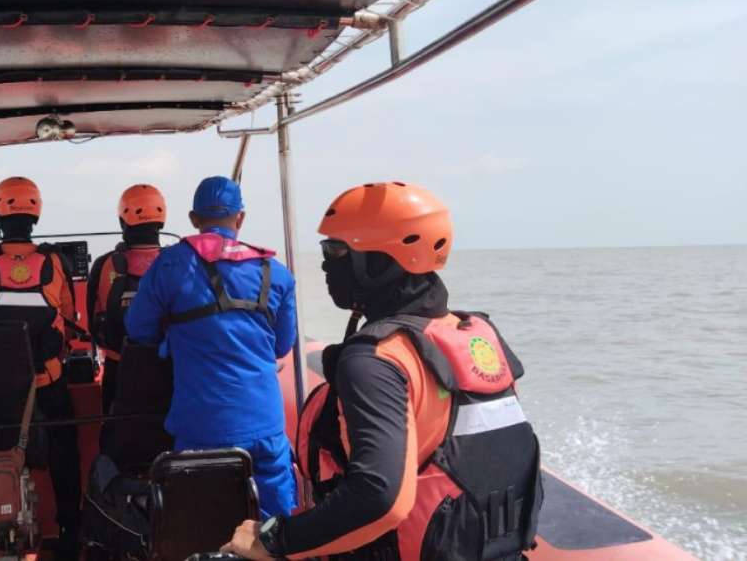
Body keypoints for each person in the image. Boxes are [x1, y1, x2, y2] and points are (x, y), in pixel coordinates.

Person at [221, 182, 542, 560]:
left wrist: (275, 540)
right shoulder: (479, 335)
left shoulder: (374, 359)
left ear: (380, 261)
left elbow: (380, 496)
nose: (325, 263)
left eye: (335, 250)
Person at [125, 176, 298, 518]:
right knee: (276, 526)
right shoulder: (276, 273)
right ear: (240, 218)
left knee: (201, 524)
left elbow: (138, 329)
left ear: (194, 219)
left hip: (201, 426)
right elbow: (282, 346)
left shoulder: (170, 264)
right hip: (265, 423)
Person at [0, 176, 82, 557]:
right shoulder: (54, 261)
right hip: (47, 381)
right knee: (65, 451)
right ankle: (69, 531)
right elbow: (69, 316)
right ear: (36, 214)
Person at [87, 183, 168, 413]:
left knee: (114, 425)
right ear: (161, 221)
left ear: (123, 222)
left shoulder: (104, 265)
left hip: (118, 368)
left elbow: (92, 323)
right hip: (167, 367)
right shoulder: (176, 262)